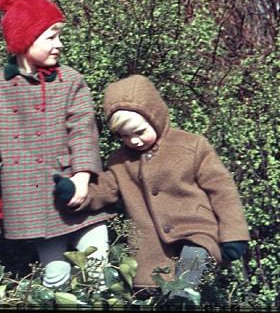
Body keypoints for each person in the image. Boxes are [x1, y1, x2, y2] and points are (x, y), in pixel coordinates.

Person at [54, 74, 250, 301]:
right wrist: (77, 193)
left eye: (139, 131)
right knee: (154, 293)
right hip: (151, 247)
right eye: (125, 136)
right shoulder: (119, 160)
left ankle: (182, 297)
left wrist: (233, 235)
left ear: (155, 117)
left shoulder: (191, 146)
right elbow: (105, 189)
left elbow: (222, 190)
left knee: (186, 281)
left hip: (197, 232)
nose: (134, 141)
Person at [0, 0, 112, 288]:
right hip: (28, 198)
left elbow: (82, 130)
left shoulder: (71, 80)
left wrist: (81, 176)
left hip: (73, 188)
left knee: (98, 264)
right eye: (51, 36)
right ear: (26, 38)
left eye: (59, 36)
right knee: (56, 276)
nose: (59, 44)